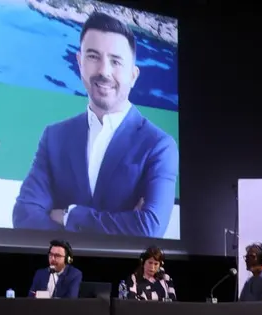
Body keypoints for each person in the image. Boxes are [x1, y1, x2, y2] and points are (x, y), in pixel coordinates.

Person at [11, 11, 178, 237]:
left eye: (116, 61)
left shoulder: (159, 145)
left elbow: (148, 228)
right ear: (80, 62)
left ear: (134, 75)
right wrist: (121, 223)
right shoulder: (55, 136)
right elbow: (23, 215)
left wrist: (70, 216)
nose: (103, 71)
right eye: (93, 56)